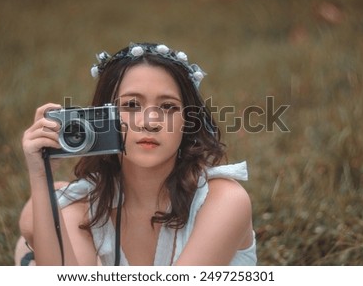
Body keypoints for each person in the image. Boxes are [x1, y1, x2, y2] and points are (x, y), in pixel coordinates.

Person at [15, 42, 257, 266]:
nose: (150, 122)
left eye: (168, 106)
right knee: (39, 223)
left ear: (188, 122)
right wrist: (40, 176)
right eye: (131, 105)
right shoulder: (82, 212)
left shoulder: (225, 201)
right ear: (104, 117)